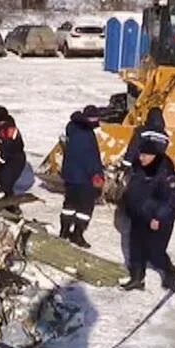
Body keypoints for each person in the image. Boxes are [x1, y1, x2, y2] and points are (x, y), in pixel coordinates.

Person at [121, 140, 175, 291]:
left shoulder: (166, 173)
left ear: (154, 156)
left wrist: (158, 217)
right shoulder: (138, 168)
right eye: (141, 154)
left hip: (157, 219)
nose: (141, 158)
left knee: (155, 251)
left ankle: (168, 270)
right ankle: (137, 279)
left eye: (145, 155)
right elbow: (133, 189)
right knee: (136, 248)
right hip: (139, 215)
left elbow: (170, 200)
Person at [59, 105, 104, 247]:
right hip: (83, 177)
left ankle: (64, 230)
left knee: (70, 204)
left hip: (70, 174)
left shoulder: (72, 128)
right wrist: (96, 174)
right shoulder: (86, 135)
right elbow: (89, 158)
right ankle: (77, 234)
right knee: (85, 208)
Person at [0, 106, 26, 197]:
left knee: (6, 182)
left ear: (2, 120)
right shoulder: (1, 128)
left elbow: (7, 150)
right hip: (6, 157)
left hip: (15, 160)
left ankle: (11, 204)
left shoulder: (9, 131)